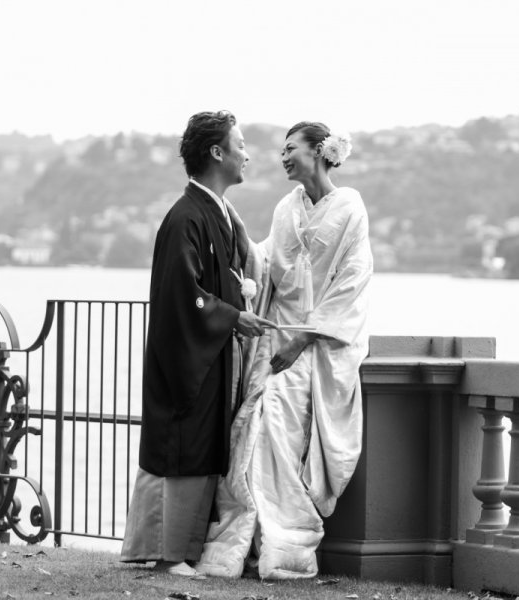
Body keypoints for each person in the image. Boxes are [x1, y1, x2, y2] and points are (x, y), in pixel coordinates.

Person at [196, 122, 373, 579]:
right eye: (282, 149)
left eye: (291, 148)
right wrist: (233, 231)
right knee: (250, 421)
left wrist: (303, 338)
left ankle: (287, 538)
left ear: (320, 152)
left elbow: (351, 283)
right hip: (276, 338)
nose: (283, 156)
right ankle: (251, 535)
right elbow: (266, 261)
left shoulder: (351, 209)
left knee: (275, 412)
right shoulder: (285, 208)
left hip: (316, 344)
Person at [120, 110, 265, 576]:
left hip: (208, 353)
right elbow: (183, 296)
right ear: (217, 152)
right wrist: (232, 315)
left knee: (198, 448)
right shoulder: (186, 217)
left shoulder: (215, 214)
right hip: (186, 358)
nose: (247, 153)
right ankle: (167, 555)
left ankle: (177, 551)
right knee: (182, 447)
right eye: (240, 144)